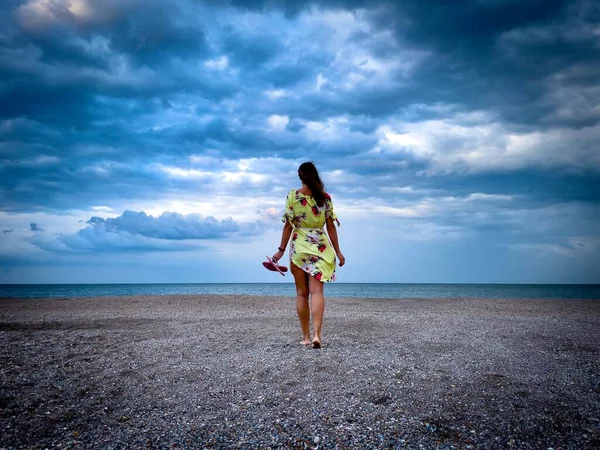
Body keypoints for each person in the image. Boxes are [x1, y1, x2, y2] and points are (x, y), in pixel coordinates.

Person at [272, 162, 345, 349]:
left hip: (299, 246)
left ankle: (305, 337)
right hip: (320, 247)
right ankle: (317, 335)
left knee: (302, 294)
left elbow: (288, 225)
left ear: (300, 176)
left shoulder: (293, 197)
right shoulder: (325, 198)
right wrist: (338, 252)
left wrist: (280, 250)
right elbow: (330, 227)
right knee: (317, 292)